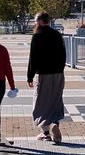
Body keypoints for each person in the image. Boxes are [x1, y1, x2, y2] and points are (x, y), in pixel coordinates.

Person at [27, 11, 66, 143]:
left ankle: (45, 133)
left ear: (39, 21)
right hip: (58, 73)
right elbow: (63, 55)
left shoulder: (37, 36)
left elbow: (33, 58)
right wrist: (60, 70)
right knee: (55, 100)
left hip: (43, 74)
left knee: (40, 102)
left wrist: (30, 76)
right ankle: (55, 123)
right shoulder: (57, 35)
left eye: (35, 20)